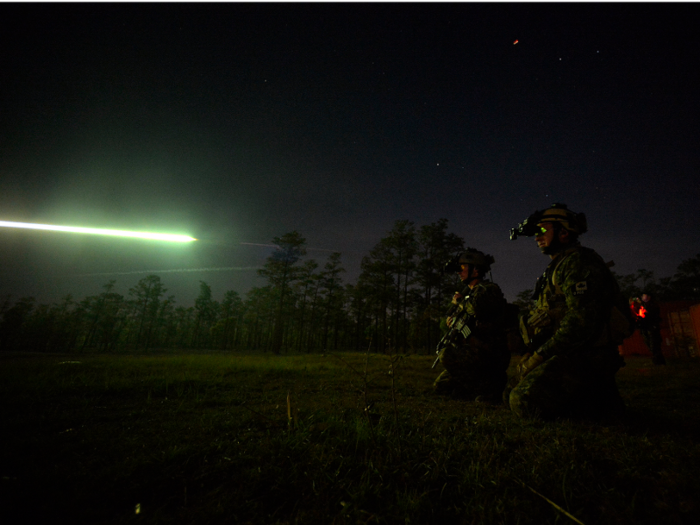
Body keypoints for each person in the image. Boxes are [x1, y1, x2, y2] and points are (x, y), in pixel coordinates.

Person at [506, 203, 629, 419]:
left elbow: (581, 323)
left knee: (522, 401)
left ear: (563, 232)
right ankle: (597, 400)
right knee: (508, 391)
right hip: (568, 351)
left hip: (586, 354)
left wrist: (540, 356)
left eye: (543, 230)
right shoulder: (559, 266)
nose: (537, 237)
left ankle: (596, 406)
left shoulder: (579, 262)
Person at [433, 248, 510, 403]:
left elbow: (476, 308)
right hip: (473, 353)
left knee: (446, 354)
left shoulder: (489, 290)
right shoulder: (468, 295)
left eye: (462, 268)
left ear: (476, 270)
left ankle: (491, 387)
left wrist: (459, 302)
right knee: (441, 387)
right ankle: (474, 387)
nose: (459, 272)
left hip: (489, 355)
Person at [637, 292, 666, 365]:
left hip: (652, 327)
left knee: (654, 345)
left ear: (649, 297)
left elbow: (652, 315)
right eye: (643, 296)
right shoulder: (642, 306)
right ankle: (657, 361)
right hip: (645, 327)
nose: (644, 297)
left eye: (645, 296)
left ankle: (659, 361)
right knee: (650, 344)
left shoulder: (653, 305)